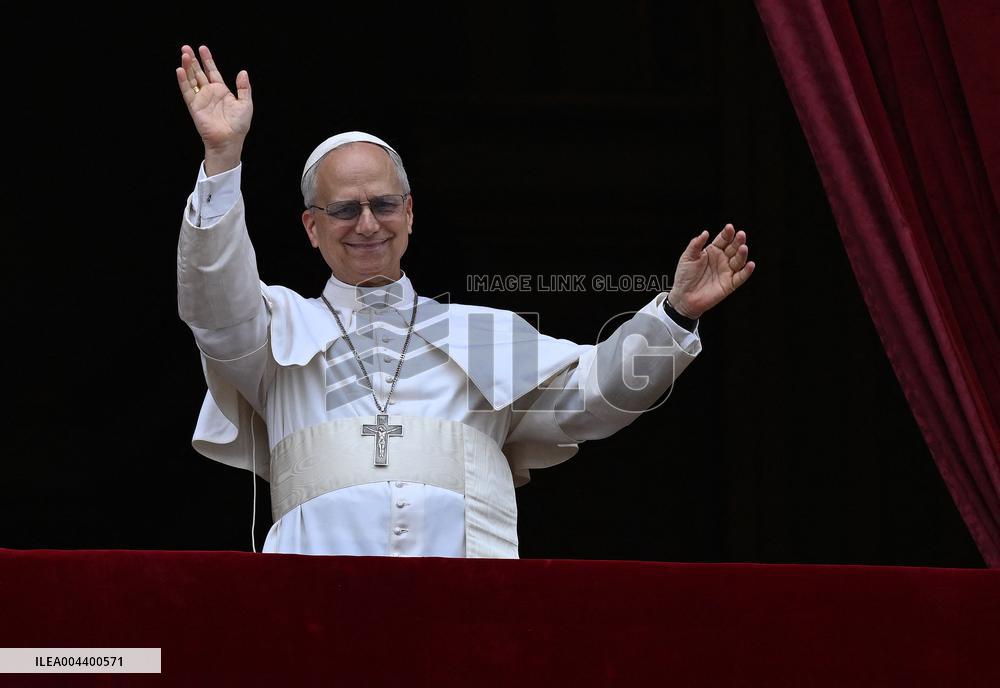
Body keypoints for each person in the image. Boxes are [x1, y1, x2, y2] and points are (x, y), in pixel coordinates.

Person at [174, 44, 755, 558]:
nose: (368, 224)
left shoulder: (483, 334)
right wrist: (223, 160)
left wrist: (676, 313)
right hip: (315, 616)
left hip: (467, 617)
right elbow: (212, 300)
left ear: (410, 213)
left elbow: (600, 392)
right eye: (345, 209)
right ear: (310, 226)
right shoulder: (276, 328)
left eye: (384, 204)